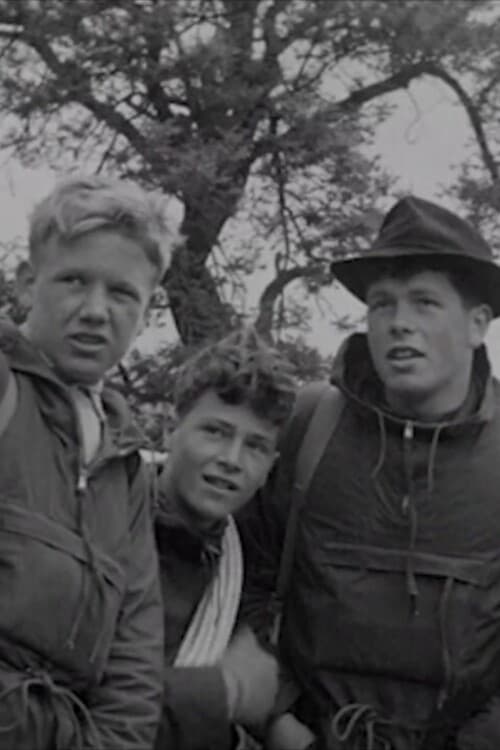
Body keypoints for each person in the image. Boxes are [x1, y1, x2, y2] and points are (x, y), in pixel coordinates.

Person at [238, 196, 500, 750]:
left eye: (425, 302)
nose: (399, 323)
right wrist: (281, 723)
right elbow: (239, 578)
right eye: (382, 304)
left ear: (477, 324)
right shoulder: (309, 427)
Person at [0, 174, 177, 749]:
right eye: (74, 280)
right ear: (28, 283)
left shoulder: (125, 464)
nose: (96, 311)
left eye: (122, 293)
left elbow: (134, 654)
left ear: (148, 311)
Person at [153, 328, 297, 750]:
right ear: (170, 430)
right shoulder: (104, 526)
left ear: (270, 467)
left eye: (255, 446)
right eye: (215, 432)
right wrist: (225, 692)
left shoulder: (244, 565)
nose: (231, 460)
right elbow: (80, 701)